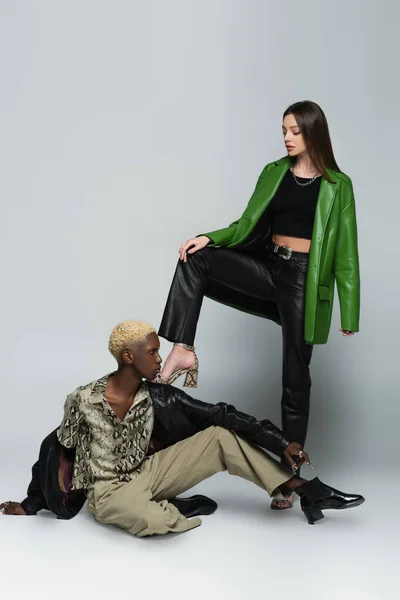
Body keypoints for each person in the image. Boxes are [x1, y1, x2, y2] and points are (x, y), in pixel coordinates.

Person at [157, 100, 360, 510]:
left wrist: (349, 310)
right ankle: (182, 347)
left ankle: (291, 481)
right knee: (195, 258)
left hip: (305, 280)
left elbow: (347, 253)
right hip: (269, 267)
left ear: (313, 133)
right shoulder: (273, 173)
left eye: (294, 131)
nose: (286, 137)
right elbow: (245, 225)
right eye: (283, 130)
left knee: (295, 378)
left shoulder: (339, 185)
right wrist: (209, 238)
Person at [1, 321, 364, 535]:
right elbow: (55, 449)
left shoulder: (159, 397)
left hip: (149, 472)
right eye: (153, 353)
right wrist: (33, 504)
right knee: (151, 522)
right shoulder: (82, 399)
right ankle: (169, 508)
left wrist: (281, 441)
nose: (161, 359)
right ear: (128, 357)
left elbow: (222, 415)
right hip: (107, 491)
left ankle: (304, 490)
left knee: (219, 437)